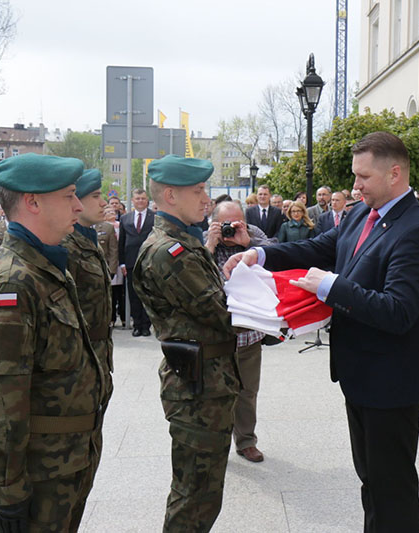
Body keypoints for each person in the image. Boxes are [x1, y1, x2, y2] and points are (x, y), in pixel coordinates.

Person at [224, 131, 419, 532]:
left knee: (392, 488)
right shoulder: (361, 213)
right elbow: (318, 247)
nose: (355, 186)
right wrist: (260, 252)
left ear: (395, 174)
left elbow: (399, 311)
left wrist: (330, 286)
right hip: (359, 374)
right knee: (371, 481)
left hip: (391, 382)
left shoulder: (417, 229)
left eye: (363, 177)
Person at [0, 152, 110, 532]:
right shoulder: (12, 283)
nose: (79, 206)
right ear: (32, 201)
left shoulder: (45, 268)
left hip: (61, 466)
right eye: (69, 196)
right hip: (33, 478)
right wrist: (6, 490)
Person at [132, 155, 239, 532]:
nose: (206, 198)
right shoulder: (169, 251)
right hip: (197, 390)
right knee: (195, 494)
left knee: (204, 491)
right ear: (171, 196)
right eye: (198, 191)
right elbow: (221, 312)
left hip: (207, 383)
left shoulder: (185, 244)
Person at [60, 169, 115, 520]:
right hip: (79, 363)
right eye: (96, 196)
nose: (103, 202)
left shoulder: (90, 238)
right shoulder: (66, 245)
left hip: (98, 358)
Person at [205, 200, 276, 463]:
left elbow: (277, 257)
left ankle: (246, 441)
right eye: (226, 224)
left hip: (249, 334)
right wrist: (211, 245)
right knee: (216, 393)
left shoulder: (254, 235)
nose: (232, 229)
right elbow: (194, 271)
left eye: (238, 222)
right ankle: (217, 444)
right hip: (218, 334)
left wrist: (248, 244)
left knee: (247, 391)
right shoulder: (205, 241)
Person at [118, 188, 154, 336]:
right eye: (137, 198)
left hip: (149, 261)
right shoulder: (125, 219)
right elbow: (122, 242)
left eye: (143, 198)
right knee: (133, 295)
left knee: (148, 294)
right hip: (131, 262)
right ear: (133, 201)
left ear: (147, 200)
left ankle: (146, 326)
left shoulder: (155, 217)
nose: (140, 201)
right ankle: (137, 325)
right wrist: (122, 263)